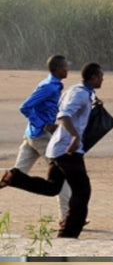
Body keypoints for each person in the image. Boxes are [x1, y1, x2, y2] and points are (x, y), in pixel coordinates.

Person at [0, 62, 104, 239]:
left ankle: (13, 177)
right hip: (66, 148)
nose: (102, 80)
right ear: (93, 77)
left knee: (52, 187)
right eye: (101, 77)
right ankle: (68, 233)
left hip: (56, 147)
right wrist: (74, 137)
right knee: (82, 191)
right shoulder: (74, 91)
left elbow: (66, 106)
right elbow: (63, 115)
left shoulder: (79, 90)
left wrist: (94, 101)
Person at [4, 55, 73, 226]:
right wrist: (44, 125)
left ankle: (66, 216)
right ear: (57, 68)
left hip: (32, 135)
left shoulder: (52, 85)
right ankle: (66, 217)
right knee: (62, 173)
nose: (67, 69)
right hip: (40, 136)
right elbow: (25, 106)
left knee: (16, 173)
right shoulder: (49, 87)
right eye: (65, 66)